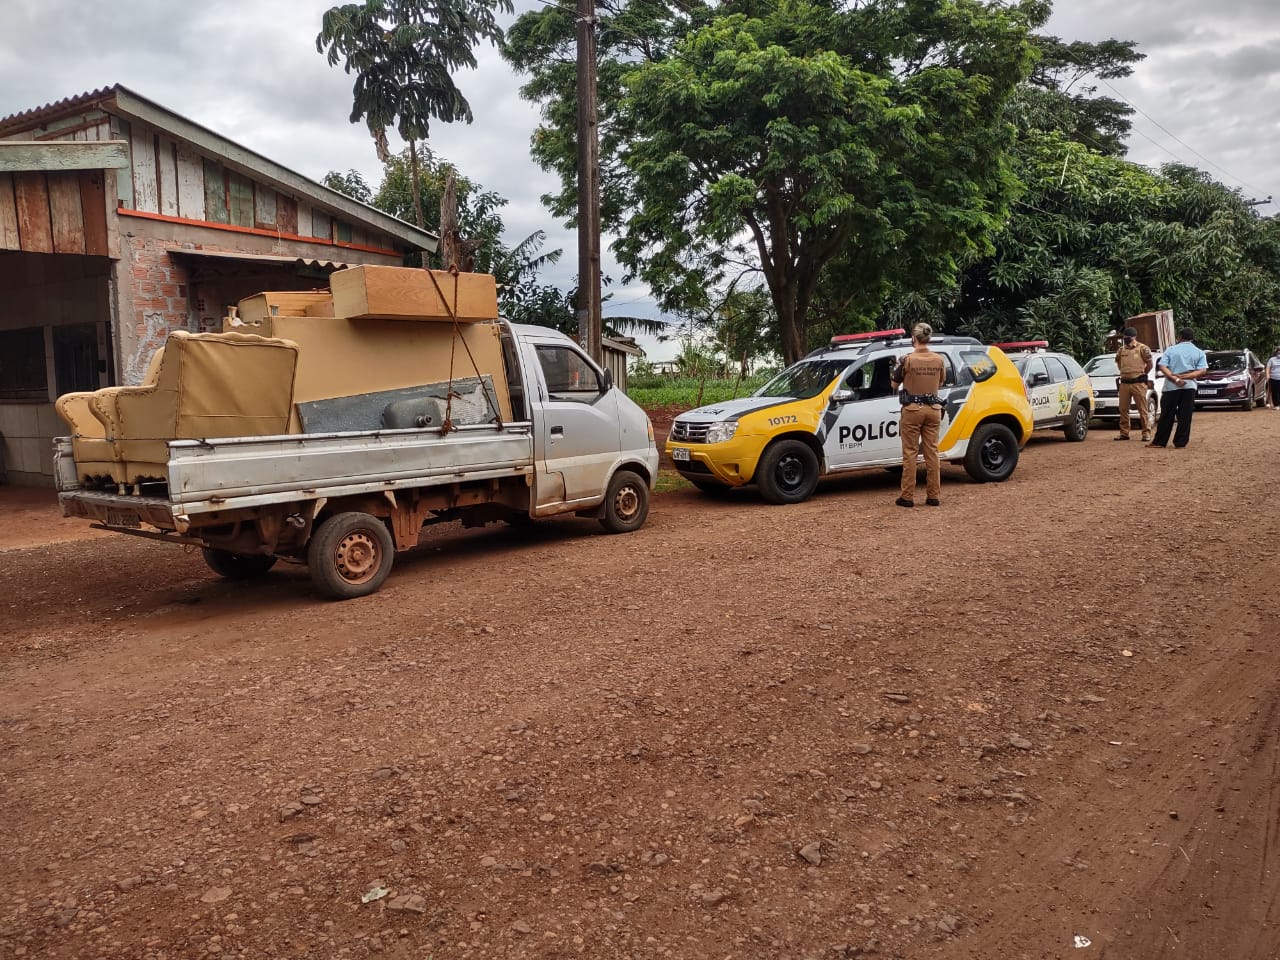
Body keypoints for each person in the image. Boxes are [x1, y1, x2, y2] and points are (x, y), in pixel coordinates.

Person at [890, 323, 946, 507]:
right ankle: (934, 496)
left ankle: (907, 496)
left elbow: (893, 384)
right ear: (928, 338)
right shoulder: (939, 359)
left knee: (910, 453)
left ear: (913, 338)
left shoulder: (906, 359)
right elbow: (941, 381)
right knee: (932, 453)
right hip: (933, 410)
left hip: (912, 410)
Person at [1150, 328, 1208, 449]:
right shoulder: (1199, 352)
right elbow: (1202, 370)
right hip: (1190, 386)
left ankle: (1160, 442)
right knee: (1185, 415)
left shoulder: (1171, 350)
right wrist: (1186, 376)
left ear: (1179, 337)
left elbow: (1162, 366)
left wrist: (1175, 378)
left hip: (1171, 387)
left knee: (1167, 414)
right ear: (1192, 338)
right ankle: (1180, 442)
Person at [1113, 326, 1154, 441]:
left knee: (1142, 409)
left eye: (1128, 337)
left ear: (1134, 337)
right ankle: (1124, 433)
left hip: (1138, 383)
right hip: (1124, 383)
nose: (1126, 339)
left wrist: (1142, 374)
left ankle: (1146, 433)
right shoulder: (1121, 350)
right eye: (1125, 337)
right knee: (1123, 409)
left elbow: (1150, 364)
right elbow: (1119, 364)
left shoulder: (1143, 348)